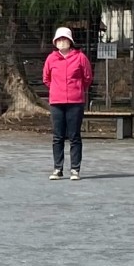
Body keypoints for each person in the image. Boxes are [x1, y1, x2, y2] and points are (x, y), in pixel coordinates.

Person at [43, 26, 92, 180]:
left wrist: (76, 89)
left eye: (64, 39)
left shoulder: (81, 57)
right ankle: (58, 168)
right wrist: (57, 90)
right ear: (55, 42)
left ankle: (75, 169)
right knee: (57, 136)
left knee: (74, 136)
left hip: (75, 102)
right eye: (59, 39)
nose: (61, 42)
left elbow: (87, 77)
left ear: (70, 41)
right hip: (56, 102)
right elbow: (46, 78)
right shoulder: (51, 58)